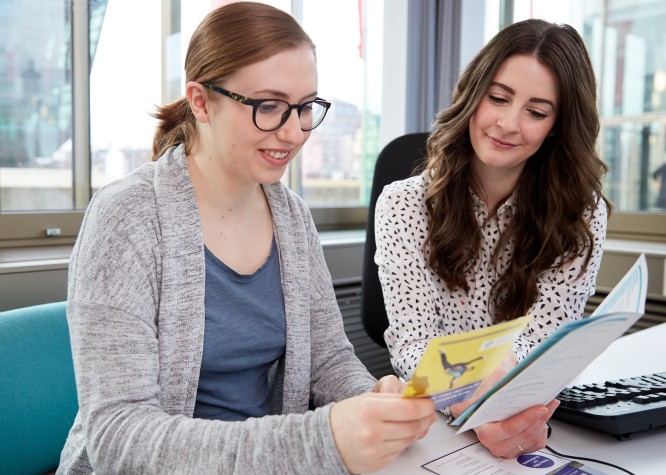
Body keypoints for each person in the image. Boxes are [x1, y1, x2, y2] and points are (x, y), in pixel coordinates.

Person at [56, 3, 435, 474]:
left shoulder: (292, 216)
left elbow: (329, 360)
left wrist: (373, 401)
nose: (294, 131)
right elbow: (118, 437)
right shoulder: (127, 217)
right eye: (269, 106)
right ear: (200, 101)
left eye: (304, 107)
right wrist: (320, 440)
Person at [374, 19, 610, 458]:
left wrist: (497, 395)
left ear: (557, 126)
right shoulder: (403, 204)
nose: (507, 123)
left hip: (527, 413)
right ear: (472, 95)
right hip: (438, 424)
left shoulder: (581, 213)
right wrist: (476, 400)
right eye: (498, 98)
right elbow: (411, 344)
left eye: (536, 112)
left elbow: (547, 340)